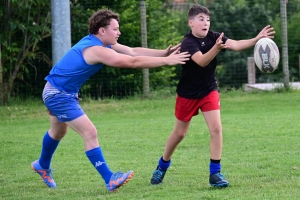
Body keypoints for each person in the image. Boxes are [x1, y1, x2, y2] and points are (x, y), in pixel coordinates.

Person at [31, 9, 190, 192]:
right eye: (115, 29)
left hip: (58, 91)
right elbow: (132, 63)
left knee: (58, 132)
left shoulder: (101, 43)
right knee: (90, 132)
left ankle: (42, 165)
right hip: (58, 94)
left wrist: (163, 53)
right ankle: (110, 179)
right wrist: (167, 61)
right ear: (102, 30)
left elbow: (132, 52)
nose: (119, 32)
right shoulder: (96, 50)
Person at [150, 4, 275, 188]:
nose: (206, 22)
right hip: (188, 94)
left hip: (209, 89)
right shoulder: (188, 42)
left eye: (208, 19)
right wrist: (216, 48)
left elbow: (236, 45)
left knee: (216, 129)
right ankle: (162, 166)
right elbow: (201, 61)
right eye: (201, 19)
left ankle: (215, 174)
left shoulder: (215, 37)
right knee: (179, 134)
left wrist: (256, 39)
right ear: (190, 22)